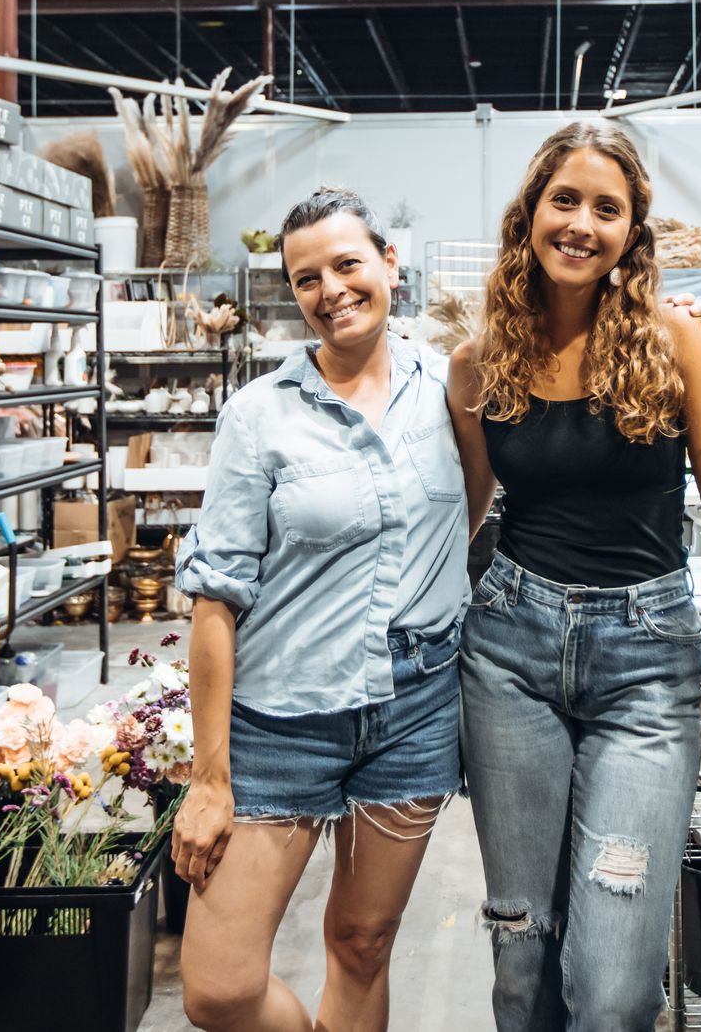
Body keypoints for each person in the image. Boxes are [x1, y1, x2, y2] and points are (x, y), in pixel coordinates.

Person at [448, 121, 701, 1030]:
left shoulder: (676, 343)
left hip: (645, 665)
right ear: (530, 212)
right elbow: (462, 522)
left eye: (608, 207)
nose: (582, 223)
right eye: (565, 199)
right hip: (508, 654)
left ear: (634, 230)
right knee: (522, 958)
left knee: (615, 986)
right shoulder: (480, 363)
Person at [172, 188, 468, 1032]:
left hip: (413, 712)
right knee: (219, 987)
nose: (331, 289)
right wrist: (210, 775)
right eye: (308, 278)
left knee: (364, 941)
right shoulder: (257, 416)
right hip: (281, 718)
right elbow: (215, 598)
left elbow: (486, 496)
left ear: (389, 266)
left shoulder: (450, 391)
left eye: (347, 264)